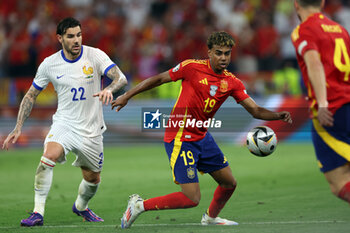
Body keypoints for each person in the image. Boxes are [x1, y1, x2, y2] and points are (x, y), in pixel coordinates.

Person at [111, 31, 292, 228]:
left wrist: (277, 115)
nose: (223, 58)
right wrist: (127, 95)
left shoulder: (232, 82)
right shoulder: (191, 67)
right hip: (180, 136)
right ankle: (139, 206)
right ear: (209, 53)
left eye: (227, 53)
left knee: (229, 183)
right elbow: (159, 79)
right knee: (191, 198)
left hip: (202, 136)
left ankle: (211, 218)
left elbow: (255, 110)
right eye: (219, 53)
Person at [2, 17, 127, 226]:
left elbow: (120, 78)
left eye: (79, 35)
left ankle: (80, 207)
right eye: (70, 36)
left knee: (93, 179)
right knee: (48, 157)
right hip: (65, 124)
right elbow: (31, 95)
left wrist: (108, 89)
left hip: (91, 129)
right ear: (60, 38)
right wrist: (18, 127)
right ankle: (37, 213)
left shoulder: (95, 55)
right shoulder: (49, 64)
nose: (76, 40)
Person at [291, 0, 350, 203]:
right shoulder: (340, 29)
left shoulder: (303, 30)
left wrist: (323, 104)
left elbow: (314, 62)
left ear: (296, 4)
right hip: (348, 103)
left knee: (339, 182)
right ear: (322, 3)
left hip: (332, 110)